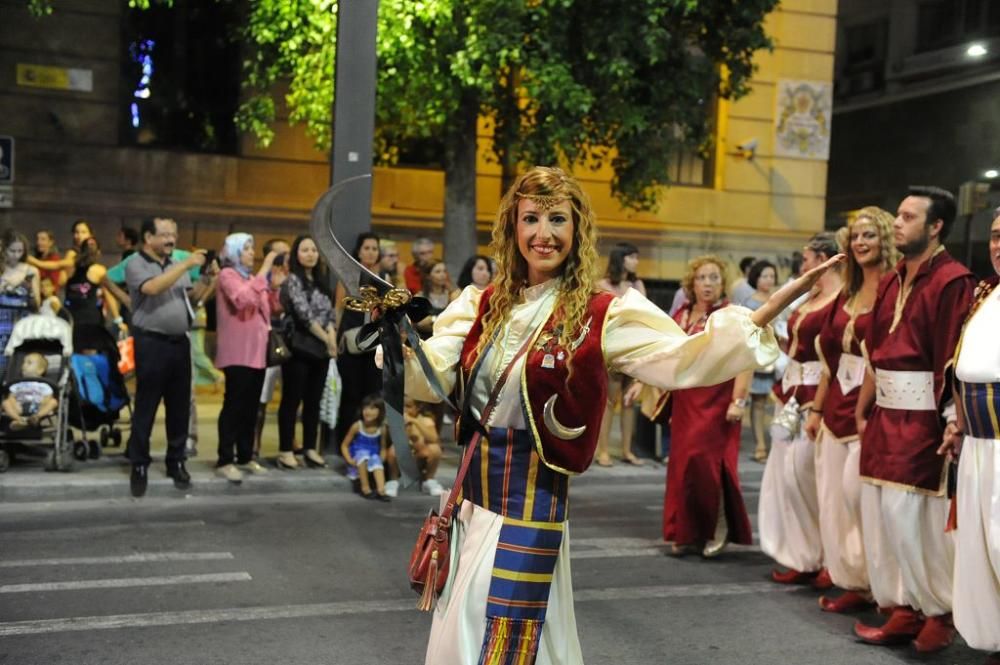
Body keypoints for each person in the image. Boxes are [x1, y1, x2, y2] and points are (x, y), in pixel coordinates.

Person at [403, 166, 841, 664]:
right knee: (463, 630)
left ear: (577, 230)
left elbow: (681, 358)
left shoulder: (599, 314)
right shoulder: (480, 305)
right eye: (531, 219)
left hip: (531, 499)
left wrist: (756, 319)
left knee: (500, 636)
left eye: (557, 220)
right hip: (471, 503)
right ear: (512, 229)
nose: (543, 234)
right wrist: (399, 346)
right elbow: (432, 376)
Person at [853, 186, 976, 653]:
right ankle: (901, 608)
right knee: (883, 517)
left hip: (922, 416)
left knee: (912, 519)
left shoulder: (952, 280)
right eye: (898, 215)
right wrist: (866, 405)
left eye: (907, 216)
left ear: (935, 226)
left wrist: (952, 419)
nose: (897, 223)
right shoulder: (891, 278)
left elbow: (949, 355)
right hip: (887, 412)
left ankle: (938, 613)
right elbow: (874, 347)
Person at [803, 207, 898, 613]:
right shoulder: (846, 293)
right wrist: (816, 409)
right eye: (856, 236)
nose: (861, 243)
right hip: (834, 410)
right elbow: (830, 357)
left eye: (870, 235)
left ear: (885, 241)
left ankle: (884, 588)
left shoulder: (895, 287)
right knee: (833, 501)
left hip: (871, 409)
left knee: (859, 499)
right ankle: (853, 582)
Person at [760, 232, 842, 587]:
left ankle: (826, 558)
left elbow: (829, 352)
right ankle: (801, 553)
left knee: (810, 479)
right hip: (790, 391)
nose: (802, 264)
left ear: (824, 257)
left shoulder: (839, 298)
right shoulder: (810, 296)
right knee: (786, 478)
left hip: (814, 393)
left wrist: (819, 408)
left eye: (807, 258)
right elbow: (796, 344)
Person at [661, 256, 753, 558]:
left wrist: (739, 400)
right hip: (686, 401)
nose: (708, 283)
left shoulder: (731, 316)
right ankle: (685, 533)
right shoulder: (682, 314)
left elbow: (746, 359)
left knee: (711, 467)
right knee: (683, 468)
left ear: (722, 283)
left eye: (714, 278)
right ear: (692, 283)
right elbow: (666, 353)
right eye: (702, 278)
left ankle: (717, 529)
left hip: (719, 401)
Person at [125, 217, 215, 498]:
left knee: (179, 407)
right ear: (148, 237)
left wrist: (206, 280)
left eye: (174, 234)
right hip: (151, 342)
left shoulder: (176, 264)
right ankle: (139, 463)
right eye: (164, 235)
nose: (171, 240)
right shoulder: (136, 263)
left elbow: (193, 300)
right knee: (146, 405)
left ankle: (176, 460)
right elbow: (152, 288)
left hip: (180, 343)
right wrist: (186, 264)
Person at [945, 206, 1000, 665]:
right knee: (979, 548)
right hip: (978, 447)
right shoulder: (985, 293)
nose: (999, 246)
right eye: (997, 237)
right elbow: (960, 371)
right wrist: (956, 422)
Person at [213, 232, 281, 484]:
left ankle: (244, 456)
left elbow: (268, 309)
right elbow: (242, 300)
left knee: (251, 408)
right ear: (234, 252)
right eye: (247, 248)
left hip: (257, 353)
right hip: (236, 353)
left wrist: (274, 288)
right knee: (234, 405)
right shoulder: (227, 275)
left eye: (253, 248)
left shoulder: (252, 278)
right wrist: (264, 271)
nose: (252, 253)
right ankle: (225, 459)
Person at [277, 234, 336, 470]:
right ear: (296, 255)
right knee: (292, 401)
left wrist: (331, 337)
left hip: (320, 350)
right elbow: (304, 315)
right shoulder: (292, 280)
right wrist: (326, 338)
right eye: (305, 250)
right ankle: (285, 450)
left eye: (314, 249)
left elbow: (329, 314)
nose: (311, 254)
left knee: (314, 401)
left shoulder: (322, 282)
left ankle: (310, 448)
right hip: (299, 348)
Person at [594, 242, 647, 466]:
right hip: (611, 348)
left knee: (629, 401)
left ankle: (626, 450)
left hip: (633, 347)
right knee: (608, 400)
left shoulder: (637, 285)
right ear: (620, 259)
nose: (635, 261)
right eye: (632, 257)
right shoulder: (602, 285)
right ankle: (602, 450)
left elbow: (644, 313)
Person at [334, 232, 384, 447]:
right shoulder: (348, 275)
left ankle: (368, 444)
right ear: (359, 251)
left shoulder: (385, 278)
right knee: (350, 395)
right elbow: (338, 310)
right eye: (367, 248)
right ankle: (343, 443)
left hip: (376, 346)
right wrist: (335, 341)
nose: (371, 252)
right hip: (352, 344)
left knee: (372, 396)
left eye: (374, 248)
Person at [253, 238, 290, 460]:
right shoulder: (260, 279)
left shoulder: (295, 278)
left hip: (291, 343)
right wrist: (274, 289)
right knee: (261, 398)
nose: (285, 258)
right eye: (279, 254)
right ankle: (254, 440)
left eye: (287, 253)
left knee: (291, 397)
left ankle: (289, 442)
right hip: (269, 345)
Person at [740, 260, 779, 462]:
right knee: (756, 402)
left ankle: (771, 444)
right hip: (756, 356)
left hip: (776, 357)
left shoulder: (779, 298)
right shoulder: (749, 302)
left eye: (772, 276)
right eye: (765, 276)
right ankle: (760, 446)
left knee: (766, 402)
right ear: (755, 278)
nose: (769, 280)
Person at [64, 237, 125, 351]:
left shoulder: (69, 267)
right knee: (91, 351)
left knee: (74, 350)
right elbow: (109, 294)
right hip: (90, 317)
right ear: (98, 252)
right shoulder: (98, 270)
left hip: (71, 315)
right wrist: (118, 319)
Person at [0, 230, 40, 376]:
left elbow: (37, 306)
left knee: (18, 366)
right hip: (1, 323)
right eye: (12, 251)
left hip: (21, 323)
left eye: (20, 251)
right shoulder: (1, 269)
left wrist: (29, 292)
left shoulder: (31, 271)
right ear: (4, 249)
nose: (16, 255)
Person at [339, 393, 391, 501]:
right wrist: (349, 460)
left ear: (380, 411)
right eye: (365, 408)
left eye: (372, 408)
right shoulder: (357, 426)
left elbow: (382, 447)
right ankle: (365, 488)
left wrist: (382, 459)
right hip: (358, 456)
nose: (368, 411)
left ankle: (381, 490)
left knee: (376, 460)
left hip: (373, 455)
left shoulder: (382, 428)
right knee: (363, 456)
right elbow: (344, 445)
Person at [2, 352, 58, 429]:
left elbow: (48, 397)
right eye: (23, 362)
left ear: (40, 370)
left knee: (53, 402)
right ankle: (19, 420)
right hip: (19, 406)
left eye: (29, 363)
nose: (24, 365)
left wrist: (43, 403)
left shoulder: (44, 384)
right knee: (6, 403)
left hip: (38, 406)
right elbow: (11, 397)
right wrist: (11, 401)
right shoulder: (17, 383)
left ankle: (36, 417)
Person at [403, 397, 445, 496]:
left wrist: (414, 421)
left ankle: (429, 480)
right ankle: (392, 480)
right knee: (392, 451)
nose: (405, 410)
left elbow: (434, 439)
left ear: (418, 408)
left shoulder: (426, 420)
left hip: (418, 456)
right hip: (403, 457)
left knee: (435, 449)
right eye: (403, 407)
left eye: (408, 406)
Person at [416, 258, 459, 337]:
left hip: (447, 337)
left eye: (444, 271)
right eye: (438, 272)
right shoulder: (420, 297)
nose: (443, 275)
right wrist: (445, 320)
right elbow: (421, 324)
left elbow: (456, 319)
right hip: (426, 339)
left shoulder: (452, 295)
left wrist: (432, 319)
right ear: (428, 276)